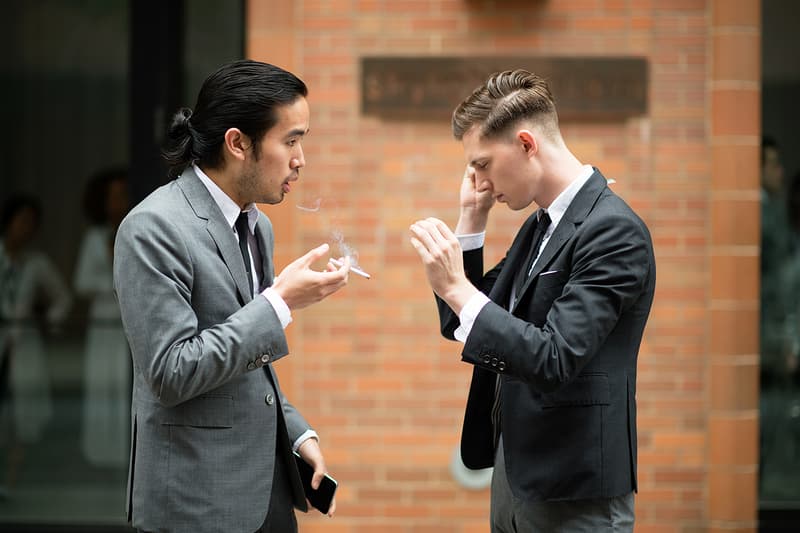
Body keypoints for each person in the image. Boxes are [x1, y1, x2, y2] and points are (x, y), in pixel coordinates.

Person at [409, 69, 656, 532]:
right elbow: (462, 321)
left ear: (526, 144)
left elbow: (554, 357)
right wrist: (471, 219)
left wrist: (456, 286)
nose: (479, 180)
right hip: (515, 482)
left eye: (483, 164)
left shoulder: (614, 231)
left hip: (575, 493)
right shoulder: (539, 226)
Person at [113, 59, 351, 533]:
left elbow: (248, 362)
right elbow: (171, 372)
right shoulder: (153, 228)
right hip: (194, 505)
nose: (300, 159)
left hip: (267, 495)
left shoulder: (258, 226)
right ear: (238, 143)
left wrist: (296, 432)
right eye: (291, 140)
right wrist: (280, 303)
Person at [0, 194, 71, 493]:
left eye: (32, 223)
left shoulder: (36, 263)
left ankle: (10, 480)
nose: (26, 228)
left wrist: (46, 322)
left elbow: (62, 298)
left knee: (22, 416)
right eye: (22, 220)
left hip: (23, 343)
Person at [73, 167, 131, 468]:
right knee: (100, 386)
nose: (119, 202)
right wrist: (112, 280)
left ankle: (122, 455)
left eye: (123, 195)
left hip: (127, 324)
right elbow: (81, 283)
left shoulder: (135, 229)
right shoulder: (94, 238)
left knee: (122, 385)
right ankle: (97, 454)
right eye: (114, 196)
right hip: (101, 322)